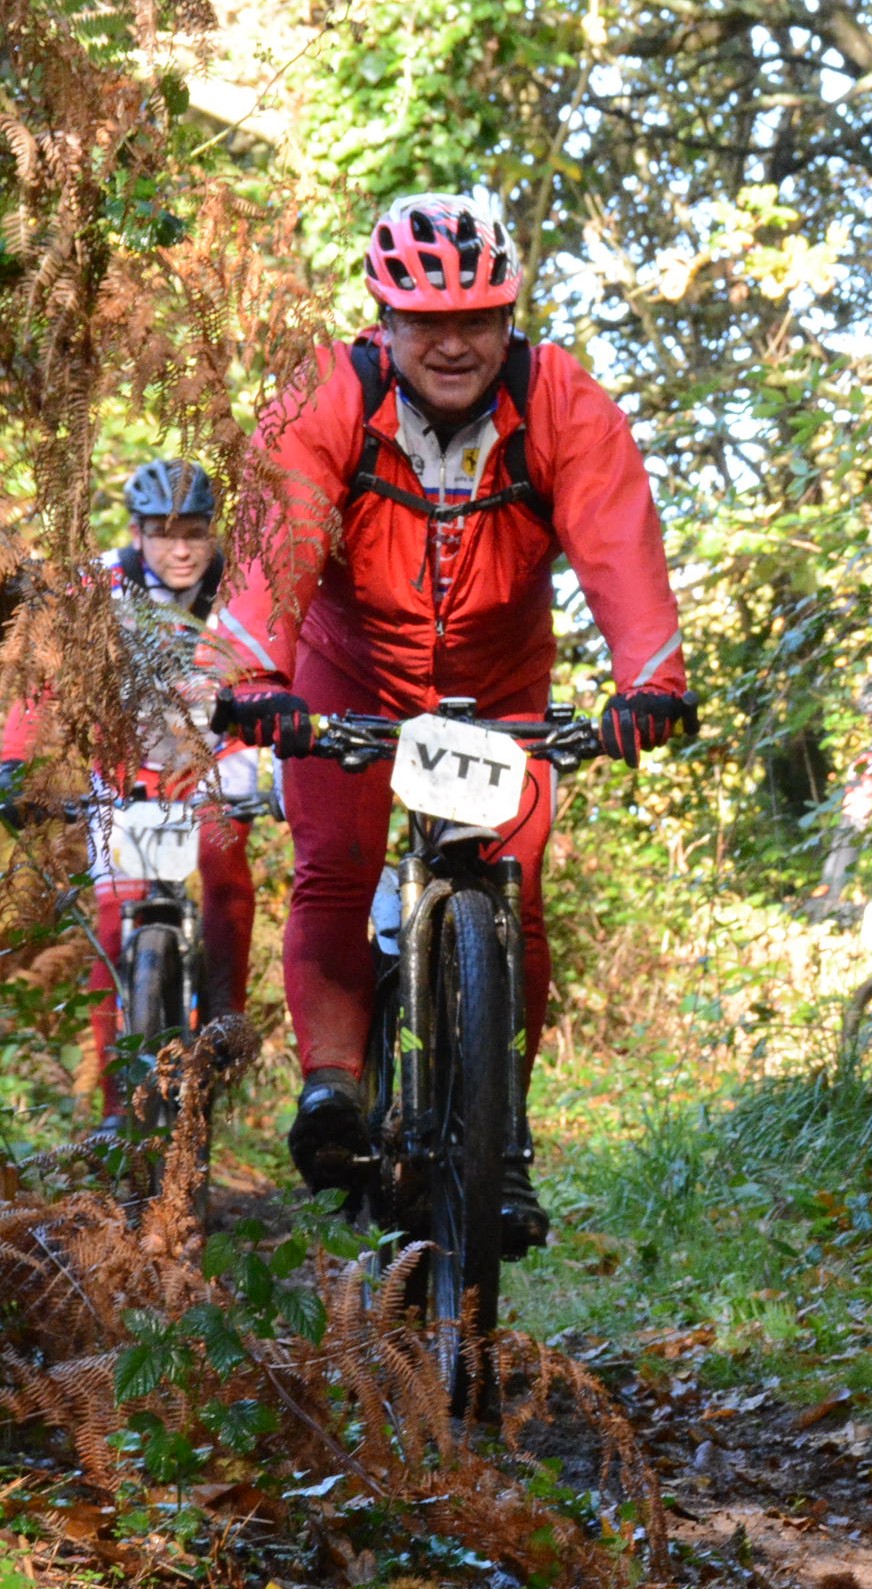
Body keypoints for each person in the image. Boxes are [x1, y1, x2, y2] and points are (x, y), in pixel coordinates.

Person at [210, 189, 696, 1245]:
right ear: (384, 320)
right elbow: (278, 539)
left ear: (509, 318)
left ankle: (502, 1144)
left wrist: (651, 682)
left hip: (499, 686)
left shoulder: (562, 403)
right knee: (338, 864)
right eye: (426, 321)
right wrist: (253, 675)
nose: (453, 343)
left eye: (478, 319)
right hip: (347, 673)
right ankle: (333, 1088)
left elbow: (618, 544)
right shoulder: (329, 397)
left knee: (514, 895)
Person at [0, 460, 264, 1130]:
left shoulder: (242, 586)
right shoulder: (97, 585)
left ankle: (226, 1017)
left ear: (213, 533)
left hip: (216, 759)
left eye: (195, 532)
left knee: (223, 864)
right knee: (115, 919)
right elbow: (44, 675)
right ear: (137, 532)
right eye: (164, 533)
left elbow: (275, 671)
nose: (181, 549)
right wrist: (14, 764)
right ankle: (119, 1105)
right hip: (125, 765)